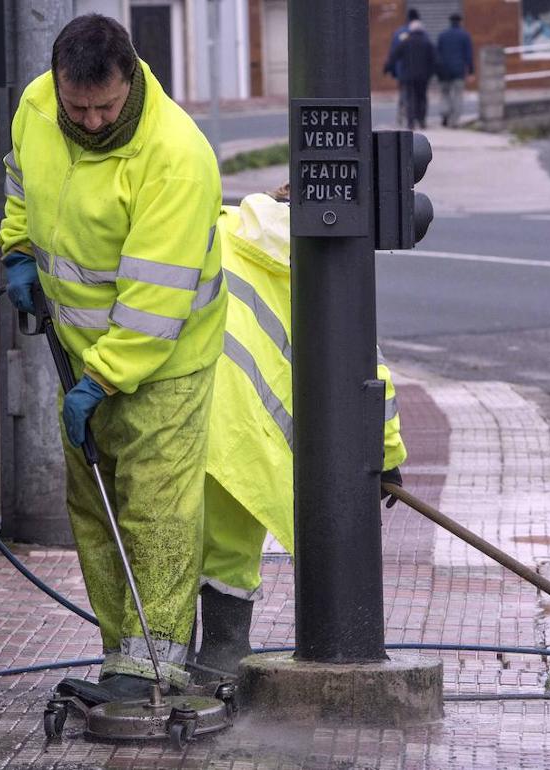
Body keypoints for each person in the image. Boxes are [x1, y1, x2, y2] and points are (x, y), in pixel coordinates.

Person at [0, 14, 228, 699]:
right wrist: (16, 251)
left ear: (131, 78)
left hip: (165, 363)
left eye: (105, 107)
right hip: (81, 353)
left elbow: (154, 305)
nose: (92, 121)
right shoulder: (38, 106)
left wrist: (100, 380)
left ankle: (153, 662)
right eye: (79, 107)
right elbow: (22, 182)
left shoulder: (175, 157)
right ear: (58, 84)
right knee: (94, 509)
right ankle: (119, 653)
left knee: (155, 511)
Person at [192, 188, 408, 678]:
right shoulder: (326, 265)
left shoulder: (220, 227)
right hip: (246, 437)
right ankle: (222, 658)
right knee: (229, 549)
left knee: (172, 534)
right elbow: (367, 377)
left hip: (179, 408)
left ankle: (166, 659)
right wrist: (386, 456)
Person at [384, 19, 436, 130]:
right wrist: (431, 73)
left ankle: (411, 122)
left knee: (410, 98)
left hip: (408, 76)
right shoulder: (427, 42)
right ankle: (422, 121)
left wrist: (387, 68)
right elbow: (433, 60)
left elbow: (394, 56)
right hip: (423, 76)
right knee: (422, 98)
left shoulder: (406, 42)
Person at [437, 13, 475, 128]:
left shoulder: (442, 36)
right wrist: (471, 71)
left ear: (450, 22)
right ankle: (454, 121)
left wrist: (437, 70)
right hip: (458, 70)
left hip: (444, 71)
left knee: (445, 93)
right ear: (460, 22)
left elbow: (437, 54)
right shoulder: (465, 36)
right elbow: (468, 55)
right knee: (458, 95)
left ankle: (445, 114)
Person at [386, 8, 422, 127]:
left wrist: (392, 70)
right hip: (418, 71)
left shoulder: (399, 32)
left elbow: (393, 52)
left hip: (402, 70)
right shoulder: (420, 33)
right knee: (417, 95)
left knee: (404, 94)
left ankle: (401, 117)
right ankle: (415, 118)